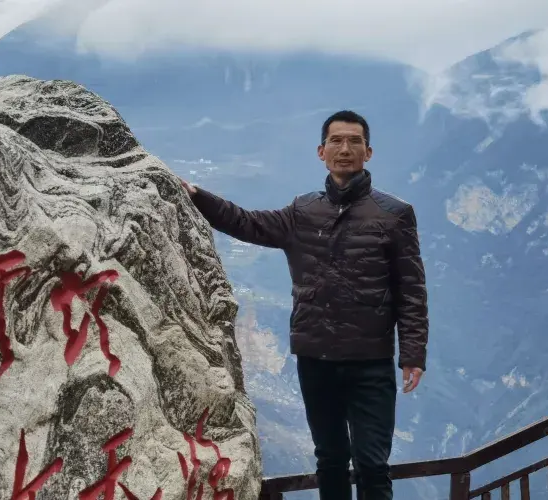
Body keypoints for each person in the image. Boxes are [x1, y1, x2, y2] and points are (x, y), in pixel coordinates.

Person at [180, 110, 429, 500]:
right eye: (336, 141)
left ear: (368, 152)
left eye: (354, 141)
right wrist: (198, 197)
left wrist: (412, 353)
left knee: (372, 463)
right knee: (330, 458)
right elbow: (247, 223)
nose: (344, 149)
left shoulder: (394, 214)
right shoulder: (302, 211)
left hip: (370, 361)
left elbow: (411, 288)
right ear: (321, 151)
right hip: (316, 357)